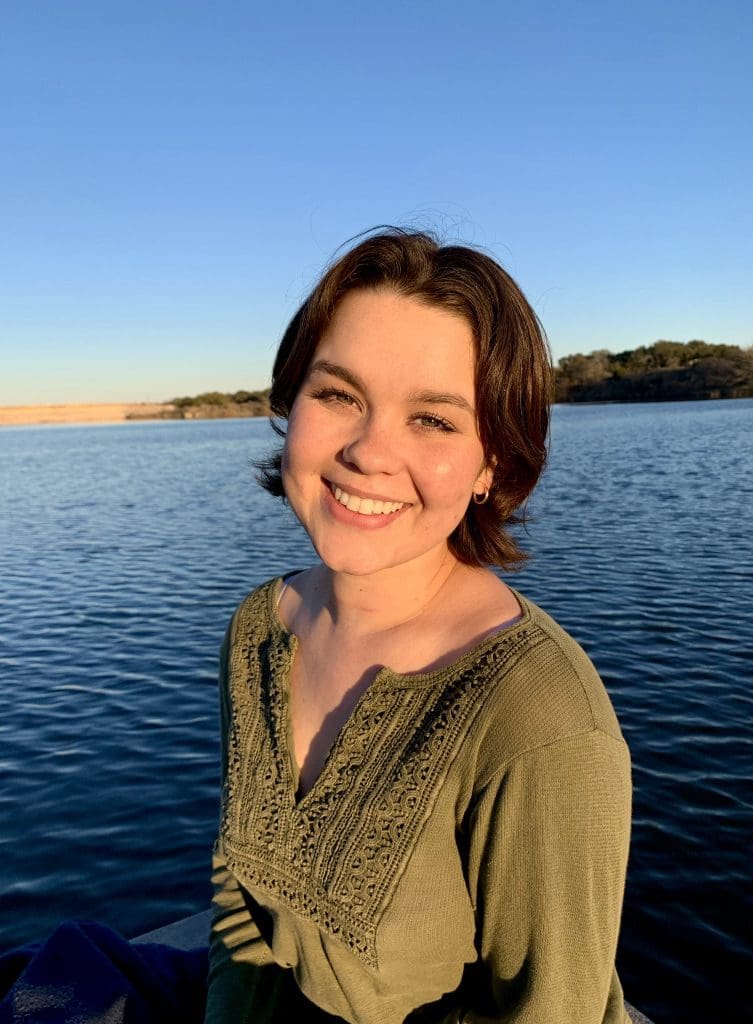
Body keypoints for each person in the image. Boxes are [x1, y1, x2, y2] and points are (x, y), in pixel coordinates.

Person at [205, 228, 632, 1024]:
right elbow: (240, 908)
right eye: (338, 394)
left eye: (433, 420)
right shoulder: (258, 630)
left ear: (489, 464)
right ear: (291, 403)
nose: (369, 452)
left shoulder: (540, 717)